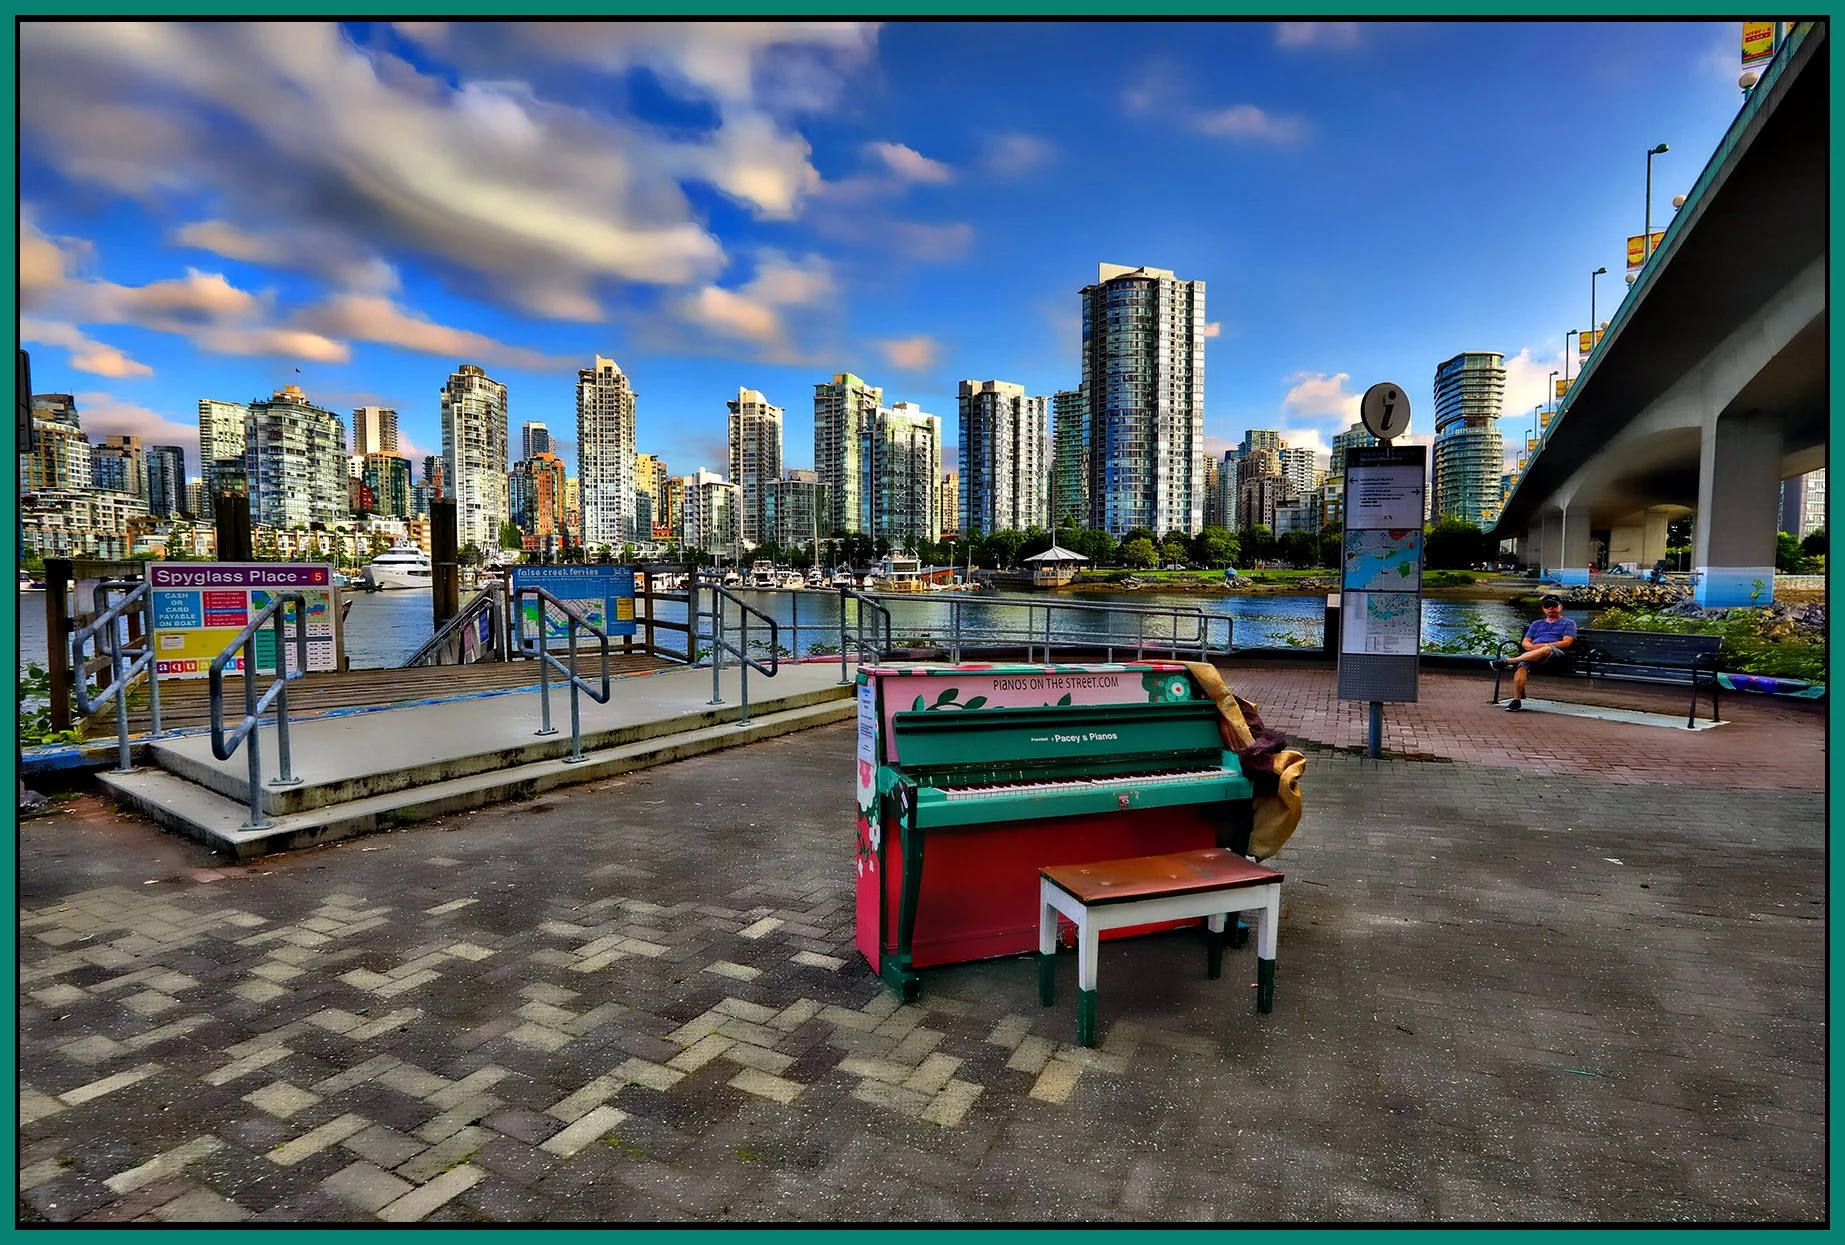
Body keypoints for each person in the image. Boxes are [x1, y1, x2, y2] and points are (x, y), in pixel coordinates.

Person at [1493, 594, 1576, 712]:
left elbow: (1566, 642)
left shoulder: (1568, 623)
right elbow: (1526, 642)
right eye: (1547, 606)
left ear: (1560, 607)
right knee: (1522, 666)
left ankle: (1508, 661)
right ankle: (1516, 700)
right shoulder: (1536, 624)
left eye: (1554, 605)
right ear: (1543, 608)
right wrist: (1532, 647)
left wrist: (1543, 646)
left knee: (1547, 648)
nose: (1550, 608)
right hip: (1534, 654)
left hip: (1556, 656)